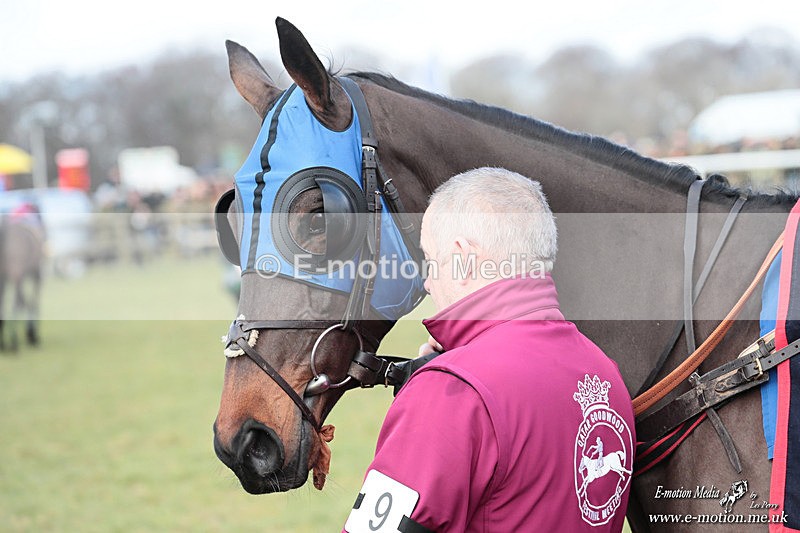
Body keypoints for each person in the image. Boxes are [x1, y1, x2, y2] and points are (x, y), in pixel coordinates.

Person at [344, 167, 635, 533]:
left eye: (431, 261)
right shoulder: (605, 373)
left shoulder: (452, 391)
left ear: (464, 258)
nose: (429, 283)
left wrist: (432, 394)